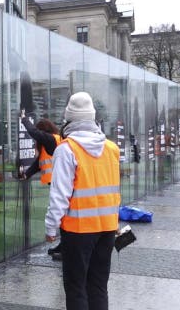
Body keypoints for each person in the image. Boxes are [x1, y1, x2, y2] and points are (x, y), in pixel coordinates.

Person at [46, 92, 120, 310]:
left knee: (76, 287)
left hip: (78, 231)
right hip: (107, 228)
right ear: (92, 118)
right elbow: (114, 190)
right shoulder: (111, 148)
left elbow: (59, 195)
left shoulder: (66, 150)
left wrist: (51, 227)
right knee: (98, 286)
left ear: (68, 118)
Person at [19, 115, 63, 260]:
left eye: (40, 133)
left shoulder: (51, 139)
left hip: (60, 183)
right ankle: (64, 246)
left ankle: (66, 248)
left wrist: (24, 120)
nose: (37, 138)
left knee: (63, 215)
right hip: (58, 183)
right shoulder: (49, 144)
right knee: (63, 215)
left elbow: (35, 133)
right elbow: (39, 163)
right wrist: (27, 174)